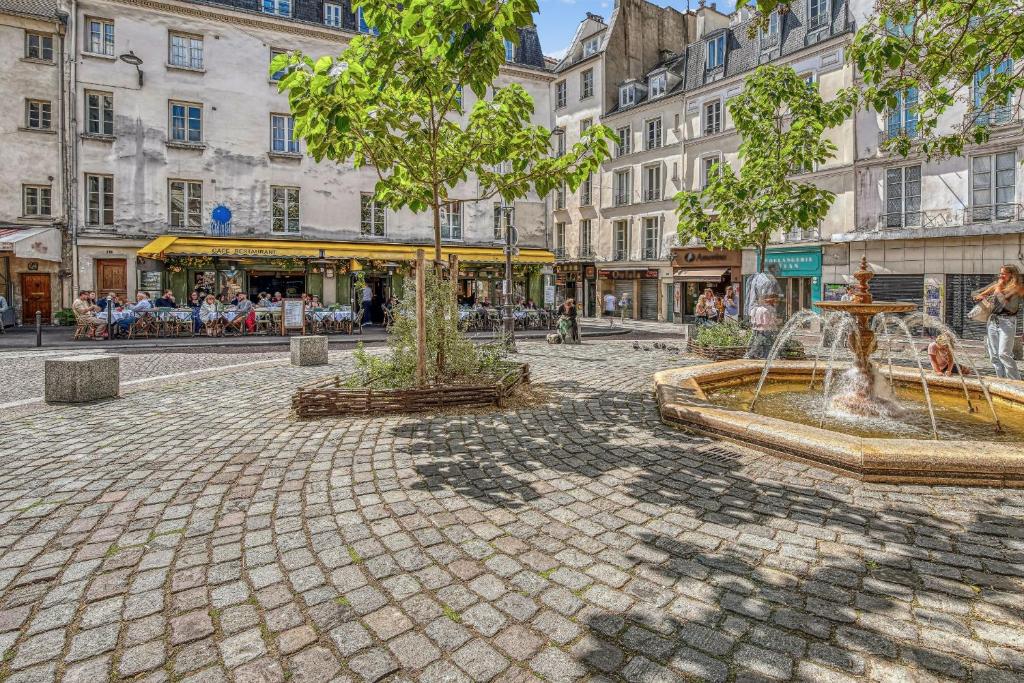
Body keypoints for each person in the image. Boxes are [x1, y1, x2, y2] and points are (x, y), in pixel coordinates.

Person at [974, 264, 1023, 380]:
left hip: (1007, 322)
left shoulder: (1017, 287)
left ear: (1012, 274)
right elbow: (977, 295)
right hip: (993, 321)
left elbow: (1005, 303)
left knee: (1004, 353)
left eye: (1003, 273)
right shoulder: (997, 285)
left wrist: (998, 289)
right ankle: (1001, 379)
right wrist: (981, 297)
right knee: (994, 355)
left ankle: (1015, 381)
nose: (1000, 276)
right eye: (1000, 273)